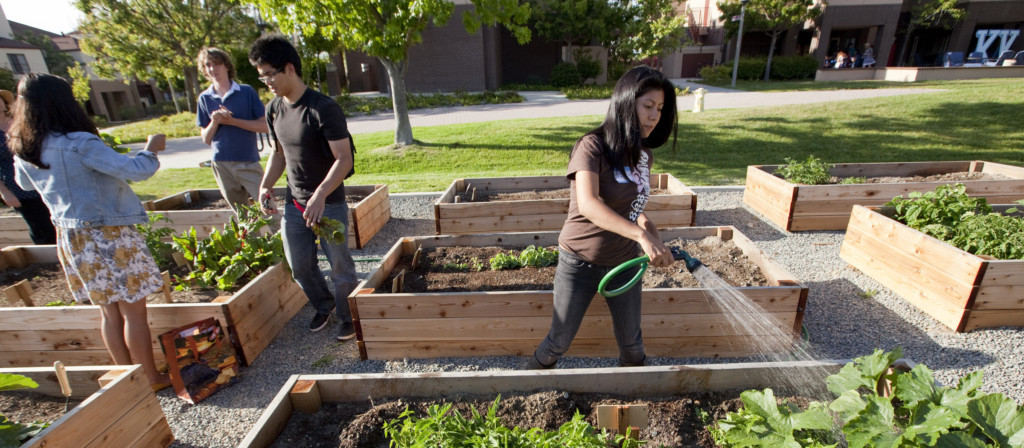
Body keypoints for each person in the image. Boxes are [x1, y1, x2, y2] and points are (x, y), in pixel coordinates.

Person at [7, 74, 171, 390]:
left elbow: (26, 185)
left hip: (70, 237)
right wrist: (150, 149)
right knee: (134, 313)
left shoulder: (26, 148)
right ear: (63, 102)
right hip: (108, 235)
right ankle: (151, 378)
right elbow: (138, 170)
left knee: (109, 314)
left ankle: (130, 379)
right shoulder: (79, 143)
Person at [527, 66, 678, 369]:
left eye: (660, 109)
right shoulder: (592, 146)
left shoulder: (644, 155)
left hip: (623, 261)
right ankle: (527, 388)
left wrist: (651, 233)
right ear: (626, 102)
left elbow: (633, 206)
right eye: (648, 106)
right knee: (559, 341)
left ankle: (635, 403)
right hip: (579, 259)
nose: (654, 116)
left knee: (633, 346)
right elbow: (589, 204)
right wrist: (639, 236)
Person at [249, 35, 359, 341]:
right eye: (262, 76)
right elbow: (278, 152)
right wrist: (265, 185)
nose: (267, 81)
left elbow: (344, 159)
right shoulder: (273, 110)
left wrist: (321, 194)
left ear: (289, 68)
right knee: (299, 266)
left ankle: (349, 316)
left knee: (340, 266)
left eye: (269, 74)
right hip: (294, 205)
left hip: (329, 202)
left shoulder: (323, 108)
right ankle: (323, 305)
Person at [196, 47, 269, 214]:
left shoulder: (245, 92)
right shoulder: (204, 98)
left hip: (247, 160)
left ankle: (282, 240)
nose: (213, 69)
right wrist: (214, 122)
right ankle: (252, 241)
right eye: (208, 65)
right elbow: (206, 139)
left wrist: (233, 121)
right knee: (242, 216)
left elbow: (264, 126)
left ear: (227, 66)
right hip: (221, 163)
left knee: (267, 207)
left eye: (217, 64)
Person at [0, 89, 56, 244]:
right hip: (18, 187)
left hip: (45, 178)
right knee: (40, 228)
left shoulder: (21, 121)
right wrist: (4, 193)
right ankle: (50, 262)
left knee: (57, 222)